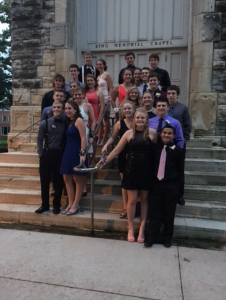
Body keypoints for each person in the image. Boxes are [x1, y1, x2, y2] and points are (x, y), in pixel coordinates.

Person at [97, 108, 157, 243]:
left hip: (146, 170)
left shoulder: (152, 134)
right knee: (132, 200)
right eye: (138, 118)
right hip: (131, 169)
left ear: (146, 120)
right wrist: (103, 162)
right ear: (134, 120)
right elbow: (117, 149)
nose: (140, 120)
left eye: (143, 118)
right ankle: (130, 227)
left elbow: (157, 153)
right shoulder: (128, 133)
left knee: (145, 199)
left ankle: (142, 229)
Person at [144, 125, 183, 248]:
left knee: (169, 212)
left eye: (169, 133)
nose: (166, 135)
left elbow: (181, 171)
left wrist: (180, 192)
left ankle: (167, 237)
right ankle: (152, 236)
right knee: (154, 211)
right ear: (161, 135)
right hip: (156, 183)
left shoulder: (178, 150)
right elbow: (150, 167)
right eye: (164, 133)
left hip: (171, 185)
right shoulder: (154, 148)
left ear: (173, 136)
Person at [102, 101, 135, 219]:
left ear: (133, 110)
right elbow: (112, 137)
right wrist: (106, 145)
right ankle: (126, 208)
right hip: (123, 154)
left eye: (129, 109)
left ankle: (134, 207)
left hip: (136, 155)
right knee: (125, 183)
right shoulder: (119, 124)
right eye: (125, 109)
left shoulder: (138, 122)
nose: (127, 111)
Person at [35, 100, 66, 214]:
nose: (56, 109)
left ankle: (57, 205)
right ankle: (44, 205)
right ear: (52, 109)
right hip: (46, 154)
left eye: (59, 107)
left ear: (62, 110)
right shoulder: (45, 123)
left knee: (58, 181)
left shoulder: (65, 123)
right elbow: (39, 139)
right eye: (55, 107)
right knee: (44, 180)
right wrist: (40, 153)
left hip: (59, 154)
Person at [60, 100, 87, 216]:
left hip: (76, 151)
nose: (67, 111)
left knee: (77, 179)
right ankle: (70, 203)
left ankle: (76, 204)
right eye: (66, 108)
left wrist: (82, 153)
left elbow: (83, 138)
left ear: (76, 109)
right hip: (68, 151)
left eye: (69, 108)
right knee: (66, 178)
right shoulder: (69, 121)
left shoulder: (79, 120)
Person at [167, 85, 192, 205]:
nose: (171, 95)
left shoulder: (183, 108)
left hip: (178, 144)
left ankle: (179, 195)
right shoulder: (163, 107)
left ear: (177, 95)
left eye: (173, 93)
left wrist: (184, 141)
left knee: (179, 169)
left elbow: (187, 126)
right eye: (169, 93)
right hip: (166, 143)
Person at [73, 87, 96, 196]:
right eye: (75, 95)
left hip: (85, 132)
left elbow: (93, 120)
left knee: (83, 158)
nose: (77, 96)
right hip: (73, 132)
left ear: (83, 95)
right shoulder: (71, 106)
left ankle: (84, 185)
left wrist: (91, 134)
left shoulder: (87, 106)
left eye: (79, 94)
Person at [85, 74, 105, 166]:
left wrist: (99, 119)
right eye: (88, 80)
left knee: (93, 138)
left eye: (91, 80)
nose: (89, 82)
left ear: (94, 81)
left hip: (95, 116)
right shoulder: (84, 92)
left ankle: (93, 158)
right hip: (86, 116)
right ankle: (87, 157)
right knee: (86, 138)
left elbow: (102, 106)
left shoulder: (98, 92)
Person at [96, 59, 113, 145]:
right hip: (98, 99)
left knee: (106, 119)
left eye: (101, 64)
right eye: (98, 64)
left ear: (104, 65)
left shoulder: (107, 75)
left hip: (106, 98)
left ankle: (105, 137)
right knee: (100, 119)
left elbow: (111, 88)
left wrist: (109, 99)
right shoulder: (97, 76)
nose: (99, 66)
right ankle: (99, 137)